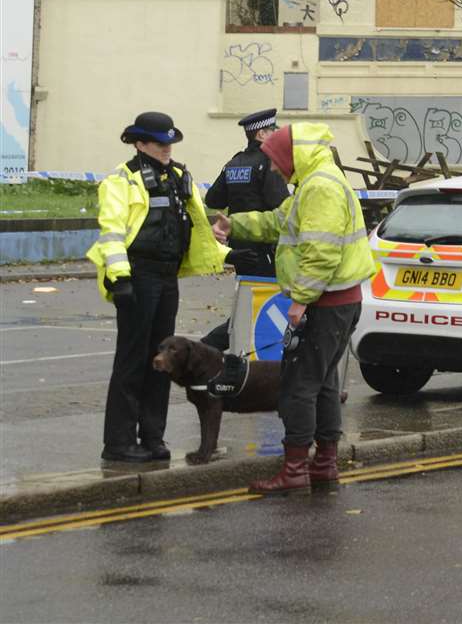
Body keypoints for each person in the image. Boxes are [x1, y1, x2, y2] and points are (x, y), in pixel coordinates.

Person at [214, 122, 376, 493]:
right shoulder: (317, 181)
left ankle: (295, 469)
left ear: (291, 155)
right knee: (321, 386)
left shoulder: (320, 187)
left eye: (275, 160)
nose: (272, 168)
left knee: (298, 387)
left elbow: (321, 251)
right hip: (339, 300)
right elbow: (278, 221)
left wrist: (301, 300)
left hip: (326, 302)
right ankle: (324, 464)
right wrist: (233, 224)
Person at [87, 112, 225, 464]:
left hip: (167, 277)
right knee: (132, 362)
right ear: (139, 143)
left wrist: (223, 245)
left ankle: (152, 438)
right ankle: (119, 443)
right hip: (137, 276)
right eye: (159, 143)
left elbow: (195, 225)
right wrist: (120, 279)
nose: (167, 149)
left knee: (164, 363)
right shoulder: (122, 180)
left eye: (170, 142)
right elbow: (112, 233)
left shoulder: (179, 176)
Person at [201, 109, 290, 352]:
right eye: (273, 130)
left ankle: (240, 353)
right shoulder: (268, 164)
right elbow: (281, 206)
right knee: (263, 305)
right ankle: (212, 347)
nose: (277, 135)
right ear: (261, 134)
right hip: (266, 247)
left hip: (239, 248)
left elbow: (213, 198)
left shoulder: (235, 163)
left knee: (250, 304)